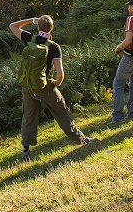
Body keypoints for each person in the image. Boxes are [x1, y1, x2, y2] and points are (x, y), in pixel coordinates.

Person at [9, 15, 95, 161]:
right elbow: (60, 73)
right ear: (52, 28)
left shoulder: (30, 39)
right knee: (61, 111)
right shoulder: (53, 46)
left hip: (28, 85)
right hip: (46, 86)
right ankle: (80, 139)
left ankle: (25, 150)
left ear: (38, 27)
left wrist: (32, 20)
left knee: (29, 115)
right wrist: (56, 83)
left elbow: (13, 26)